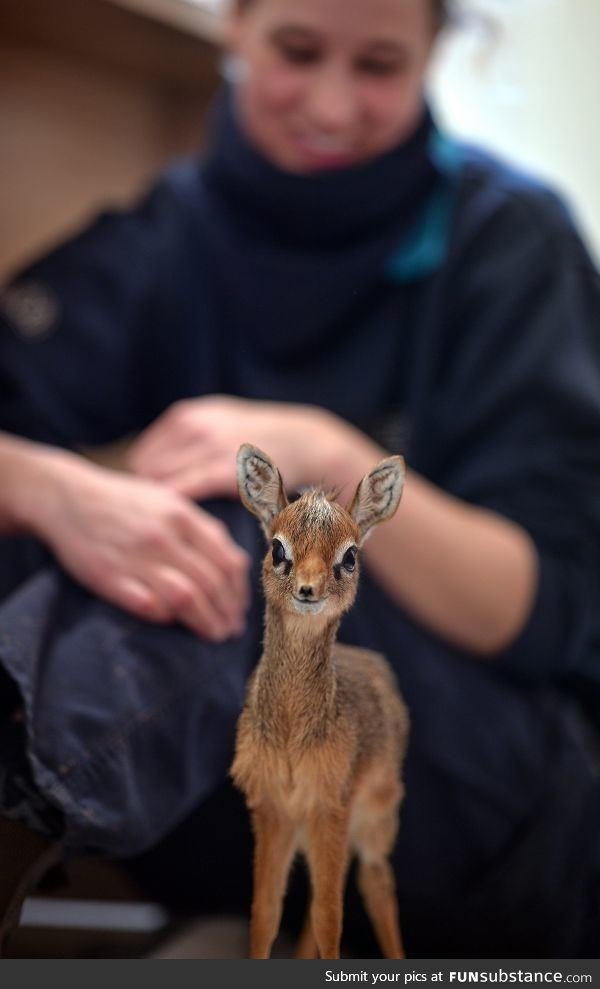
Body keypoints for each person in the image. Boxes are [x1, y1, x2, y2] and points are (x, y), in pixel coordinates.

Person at [1, 0, 600, 958]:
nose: (330, 103)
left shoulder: (511, 243)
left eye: (377, 67)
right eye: (297, 51)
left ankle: (24, 796)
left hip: (488, 795)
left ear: (434, 55)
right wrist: (49, 488)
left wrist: (331, 451)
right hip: (233, 781)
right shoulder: (165, 234)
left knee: (276, 538)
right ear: (235, 25)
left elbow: (547, 606)